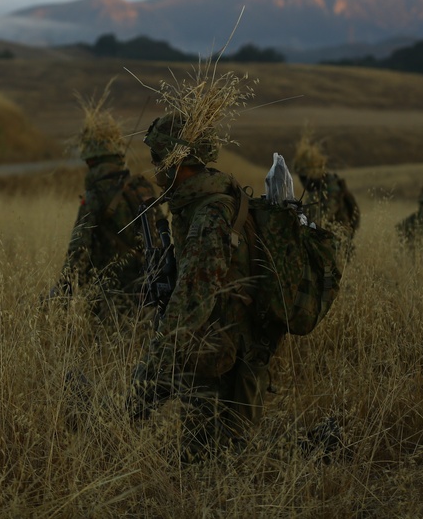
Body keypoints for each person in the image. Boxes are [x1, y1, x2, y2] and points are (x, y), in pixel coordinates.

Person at [129, 111, 284, 460]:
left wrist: (151, 372)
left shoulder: (209, 214)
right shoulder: (205, 202)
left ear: (178, 161)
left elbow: (193, 298)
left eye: (158, 159)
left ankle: (314, 448)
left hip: (224, 354)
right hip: (222, 347)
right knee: (226, 454)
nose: (155, 171)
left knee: (210, 460)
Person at [50, 91, 161, 326]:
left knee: (106, 355)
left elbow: (78, 250)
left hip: (108, 296)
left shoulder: (95, 195)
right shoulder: (142, 188)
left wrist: (60, 294)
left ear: (91, 160)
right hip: (149, 290)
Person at [292, 135, 360, 256]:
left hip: (337, 250)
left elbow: (318, 221)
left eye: (303, 177)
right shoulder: (320, 188)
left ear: (311, 174)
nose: (301, 182)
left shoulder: (331, 190)